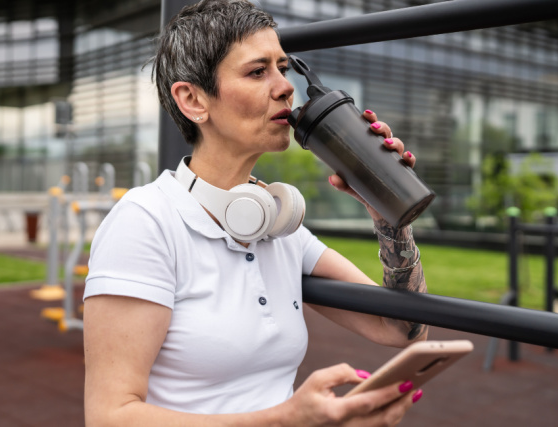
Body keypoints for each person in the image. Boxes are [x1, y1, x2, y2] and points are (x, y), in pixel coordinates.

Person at [83, 0, 428, 425]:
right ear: (192, 99)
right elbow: (108, 416)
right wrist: (286, 419)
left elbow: (401, 329)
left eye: (283, 68)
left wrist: (387, 211)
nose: (285, 87)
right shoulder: (145, 222)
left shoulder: (277, 223)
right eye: (257, 71)